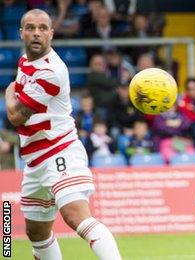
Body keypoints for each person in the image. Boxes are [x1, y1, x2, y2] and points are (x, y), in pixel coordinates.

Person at [4, 9, 121, 259]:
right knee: (36, 232)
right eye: (31, 28)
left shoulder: (52, 71)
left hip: (59, 150)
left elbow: (15, 116)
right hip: (34, 160)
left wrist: (8, 91)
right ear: (21, 32)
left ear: (51, 33)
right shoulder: (25, 60)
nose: (37, 33)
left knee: (75, 216)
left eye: (43, 28)